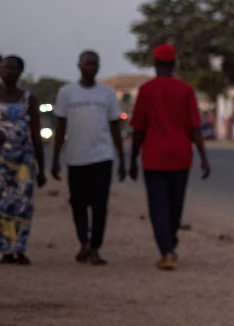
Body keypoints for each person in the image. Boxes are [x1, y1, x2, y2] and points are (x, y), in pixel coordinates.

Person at [128, 44, 211, 270]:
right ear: (174, 64)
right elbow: (195, 127)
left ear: (155, 64)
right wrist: (203, 156)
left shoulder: (146, 90)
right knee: (175, 204)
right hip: (180, 156)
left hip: (153, 157)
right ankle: (170, 243)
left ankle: (166, 250)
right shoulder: (185, 90)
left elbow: (138, 129)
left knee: (158, 205)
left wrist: (132, 159)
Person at [51, 50, 125, 265]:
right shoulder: (67, 92)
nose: (90, 67)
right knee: (78, 203)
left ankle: (95, 247)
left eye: (94, 64)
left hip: (102, 156)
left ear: (98, 67)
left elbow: (114, 127)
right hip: (76, 157)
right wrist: (56, 158)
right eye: (87, 63)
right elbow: (60, 126)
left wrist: (121, 158)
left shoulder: (107, 93)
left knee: (100, 204)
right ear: (79, 66)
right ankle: (83, 242)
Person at [0, 56, 47, 264]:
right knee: (2, 204)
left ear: (20, 72)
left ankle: (19, 247)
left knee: (23, 204)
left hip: (23, 162)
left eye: (13, 68)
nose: (8, 71)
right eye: (4, 67)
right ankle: (5, 249)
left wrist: (42, 167)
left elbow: (36, 134)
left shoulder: (28, 98)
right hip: (1, 161)